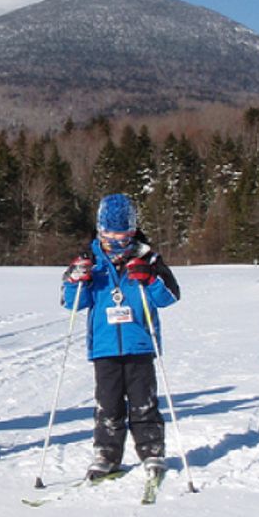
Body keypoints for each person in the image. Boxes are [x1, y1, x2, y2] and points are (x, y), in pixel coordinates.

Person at [61, 193, 180, 481]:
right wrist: (78, 280)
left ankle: (152, 450)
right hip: (104, 346)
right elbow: (72, 302)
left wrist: (149, 278)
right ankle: (107, 454)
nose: (117, 239)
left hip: (139, 341)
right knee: (108, 404)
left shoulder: (147, 257)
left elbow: (169, 296)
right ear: (100, 230)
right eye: (110, 233)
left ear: (133, 229)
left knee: (144, 402)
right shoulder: (90, 259)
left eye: (123, 233)